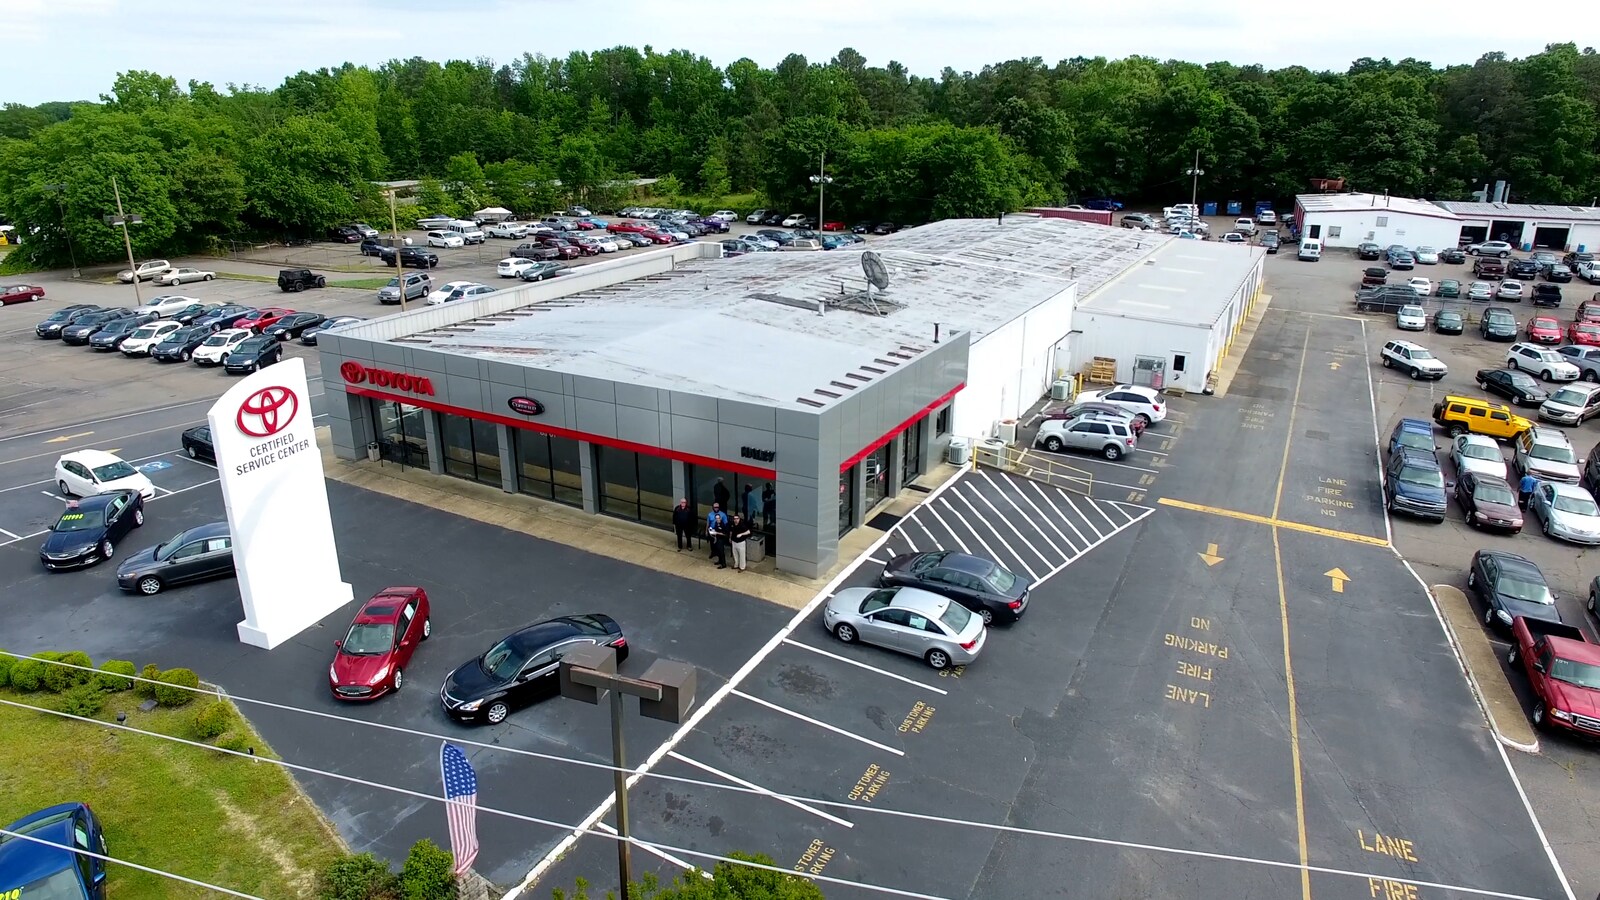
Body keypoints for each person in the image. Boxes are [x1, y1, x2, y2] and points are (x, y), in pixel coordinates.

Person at [706, 503, 729, 568]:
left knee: (721, 551)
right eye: (716, 518)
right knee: (717, 549)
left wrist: (716, 533)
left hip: (721, 538)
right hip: (716, 537)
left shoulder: (722, 525)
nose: (717, 519)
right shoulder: (716, 524)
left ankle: (723, 564)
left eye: (718, 518)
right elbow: (708, 524)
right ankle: (720, 560)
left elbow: (724, 533)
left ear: (720, 518)